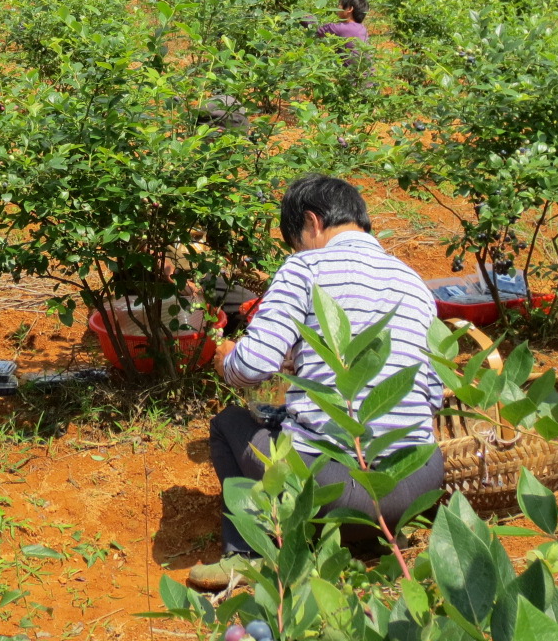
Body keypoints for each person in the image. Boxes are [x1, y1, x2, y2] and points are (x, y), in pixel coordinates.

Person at [186, 174, 444, 592]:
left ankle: (246, 555)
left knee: (229, 425)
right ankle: (379, 536)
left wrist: (224, 359)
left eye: (297, 240)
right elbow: (430, 395)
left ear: (312, 222)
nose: (299, 250)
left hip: (333, 491)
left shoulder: (306, 266)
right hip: (418, 487)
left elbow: (252, 366)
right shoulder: (413, 281)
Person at [316, 0, 369, 67]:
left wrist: (299, 14)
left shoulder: (342, 28)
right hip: (367, 75)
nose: (338, 7)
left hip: (354, 76)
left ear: (349, 9)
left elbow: (316, 28)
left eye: (340, 4)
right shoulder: (361, 28)